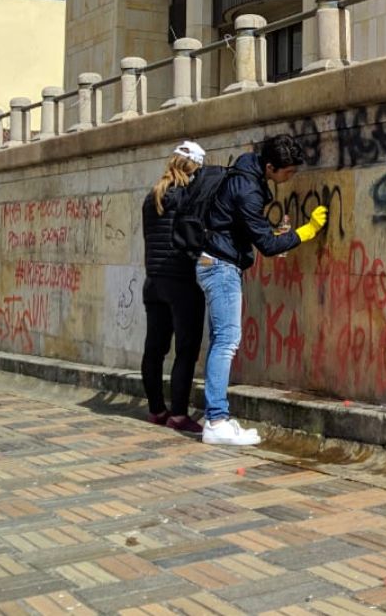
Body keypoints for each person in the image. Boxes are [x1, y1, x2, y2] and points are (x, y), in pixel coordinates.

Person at [193, 134, 327, 445]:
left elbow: (250, 230)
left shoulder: (246, 172)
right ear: (270, 167)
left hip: (216, 262)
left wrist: (276, 233)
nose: (290, 177)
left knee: (221, 341)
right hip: (221, 267)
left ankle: (217, 418)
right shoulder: (248, 190)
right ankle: (216, 421)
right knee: (227, 342)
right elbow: (266, 245)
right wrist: (305, 232)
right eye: (288, 172)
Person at [140, 141, 211, 433]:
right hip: (180, 281)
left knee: (154, 349)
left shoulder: (152, 196)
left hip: (153, 282)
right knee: (185, 349)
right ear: (194, 168)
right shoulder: (185, 197)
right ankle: (179, 414)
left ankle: (157, 409)